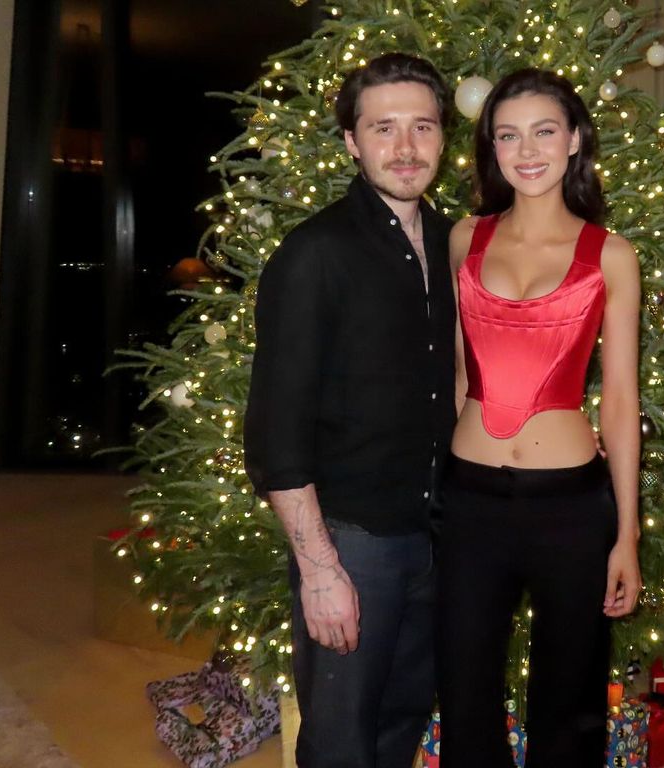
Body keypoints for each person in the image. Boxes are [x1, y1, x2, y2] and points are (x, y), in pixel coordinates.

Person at [243, 53, 456, 768]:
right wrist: (321, 569)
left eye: (422, 127)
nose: (405, 148)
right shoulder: (314, 254)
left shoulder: (453, 245)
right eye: (383, 128)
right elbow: (277, 429)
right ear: (351, 142)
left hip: (436, 532)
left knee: (401, 723)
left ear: (443, 138)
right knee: (340, 745)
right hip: (353, 543)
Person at [436, 69, 642, 767]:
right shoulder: (465, 238)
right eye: (507, 134)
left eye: (544, 131)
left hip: (571, 505)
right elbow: (462, 373)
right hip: (469, 500)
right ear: (491, 148)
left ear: (575, 139)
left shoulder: (610, 255)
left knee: (571, 695)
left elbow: (619, 401)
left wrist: (627, 535)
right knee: (464, 688)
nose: (526, 150)